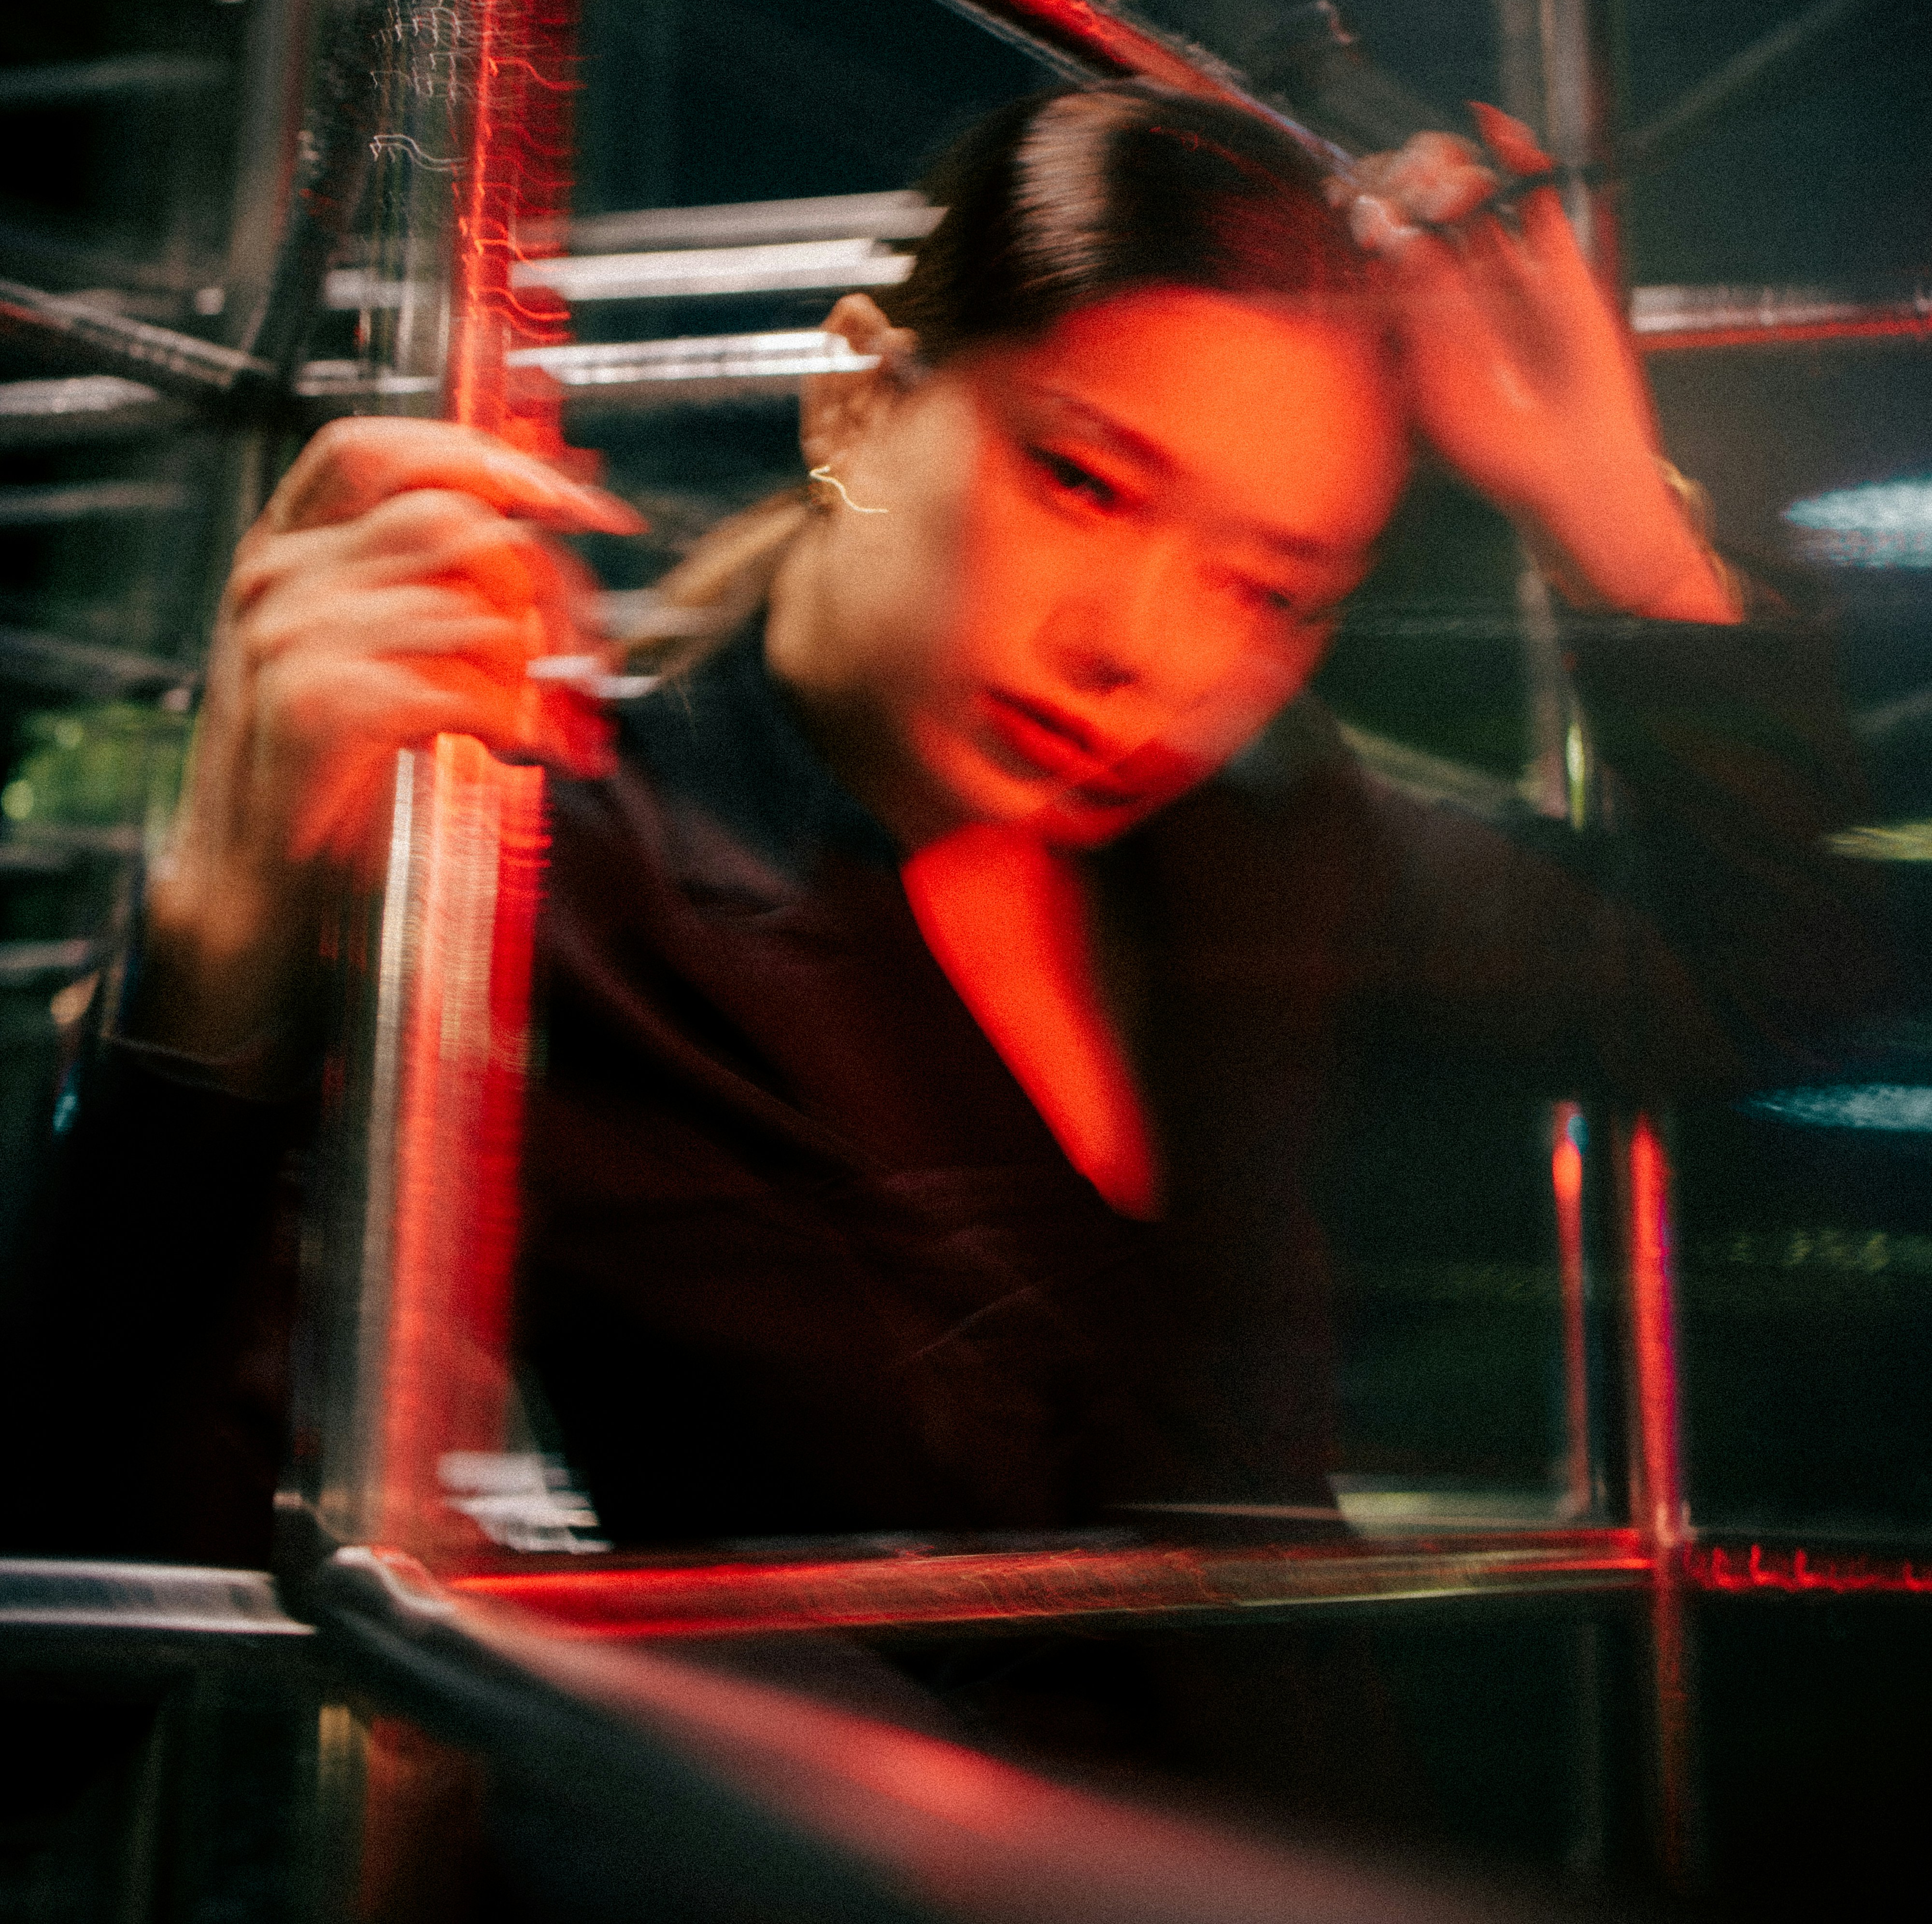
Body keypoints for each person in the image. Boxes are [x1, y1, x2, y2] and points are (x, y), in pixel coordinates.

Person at [0, 84, 1884, 1570]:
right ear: (858, 393)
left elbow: (1754, 981)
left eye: (1273, 588)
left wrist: (1605, 518)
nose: (1140, 650)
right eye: (1080, 476)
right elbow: (90, 1613)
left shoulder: (1259, 831)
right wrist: (232, 917)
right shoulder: (566, 872)